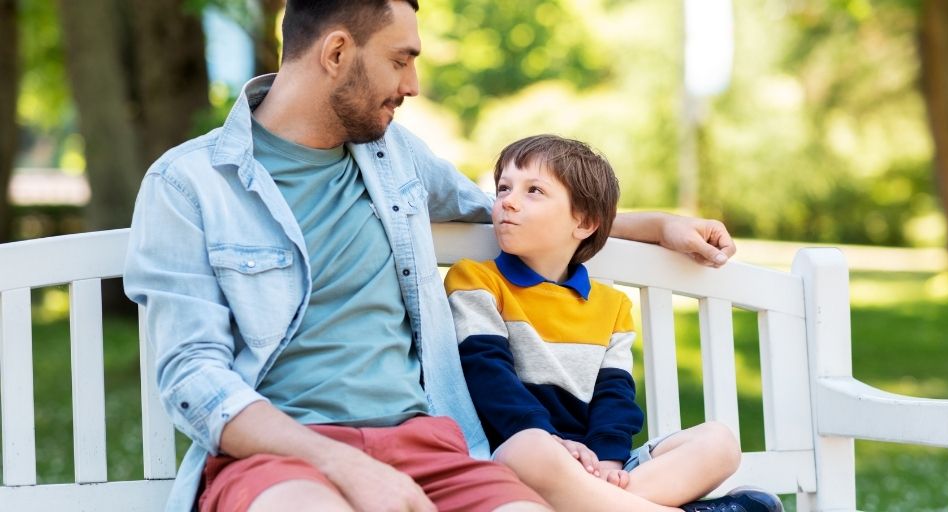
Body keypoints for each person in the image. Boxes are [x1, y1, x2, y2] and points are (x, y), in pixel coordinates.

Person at [123, 1, 737, 511]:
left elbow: (498, 212)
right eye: (401, 60)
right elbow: (194, 380)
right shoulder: (189, 184)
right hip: (280, 459)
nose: (412, 86)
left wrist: (656, 226)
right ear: (336, 54)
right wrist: (340, 463)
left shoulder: (395, 157)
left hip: (430, 447)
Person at [444, 135, 782, 512]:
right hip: (519, 457)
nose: (507, 200)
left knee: (720, 442)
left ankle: (594, 502)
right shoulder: (476, 279)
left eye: (534, 190)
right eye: (503, 187)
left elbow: (614, 395)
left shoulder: (612, 306)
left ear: (585, 222)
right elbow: (487, 374)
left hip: (598, 471)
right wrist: (552, 440)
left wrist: (607, 460)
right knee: (530, 449)